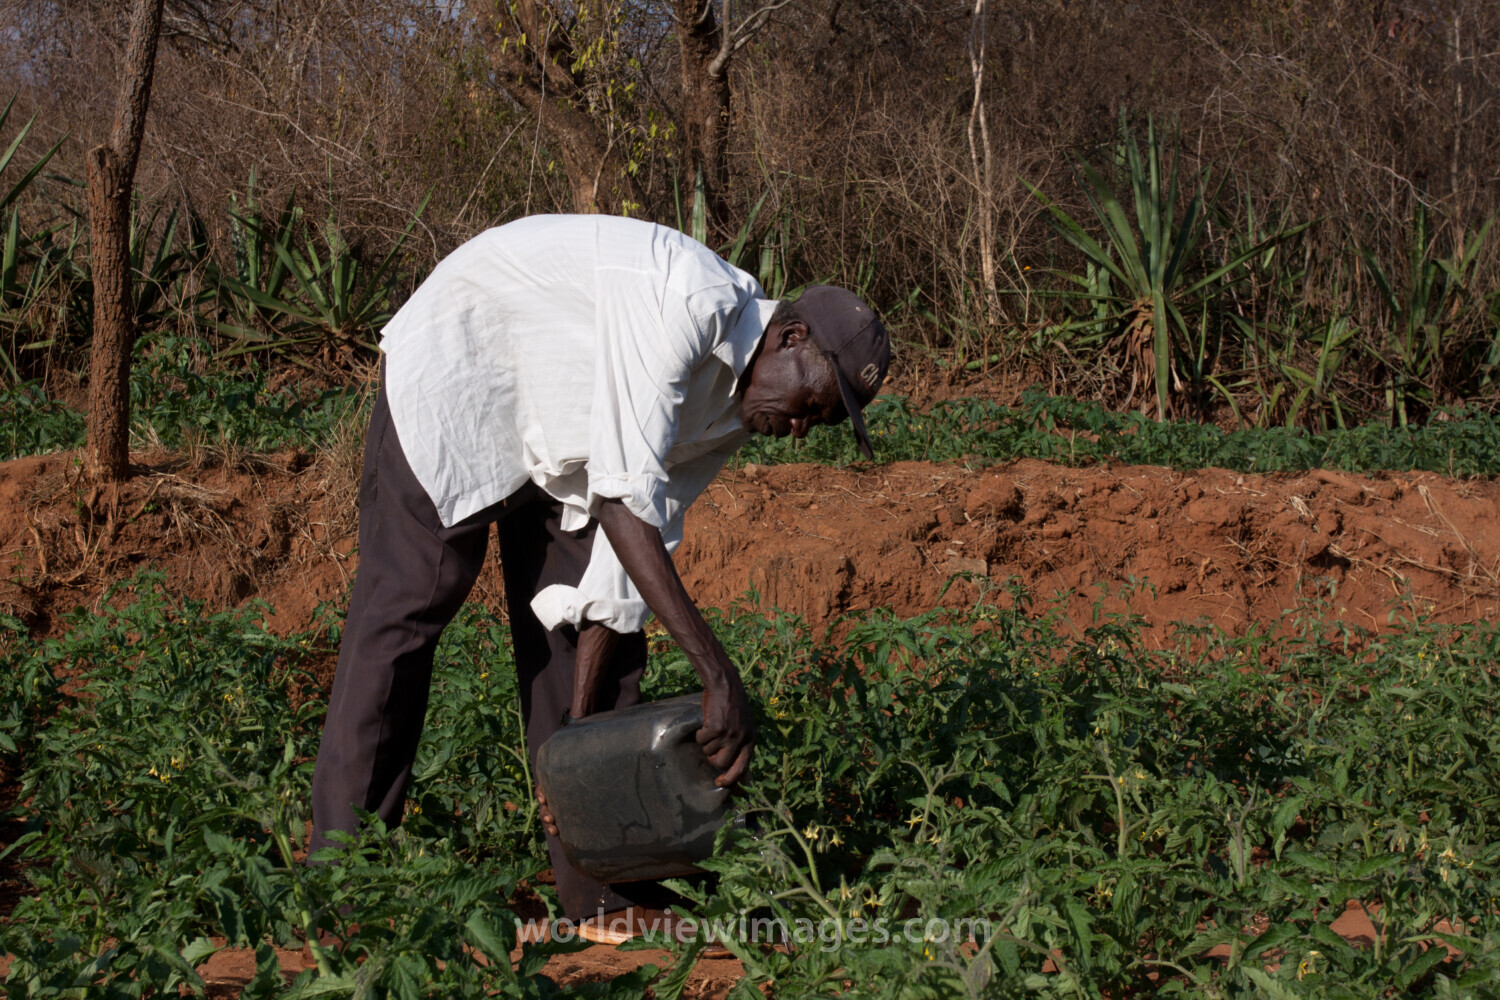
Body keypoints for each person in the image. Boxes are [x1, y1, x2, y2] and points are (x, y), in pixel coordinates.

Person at [309, 213, 889, 941]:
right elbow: (621, 501)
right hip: (466, 364)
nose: (800, 428)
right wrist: (717, 674)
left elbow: (618, 577)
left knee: (592, 645)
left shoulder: (737, 412)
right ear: (790, 337)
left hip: (562, 434)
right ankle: (338, 886)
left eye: (820, 423)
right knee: (410, 606)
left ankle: (602, 891)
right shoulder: (684, 300)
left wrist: (576, 751)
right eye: (810, 403)